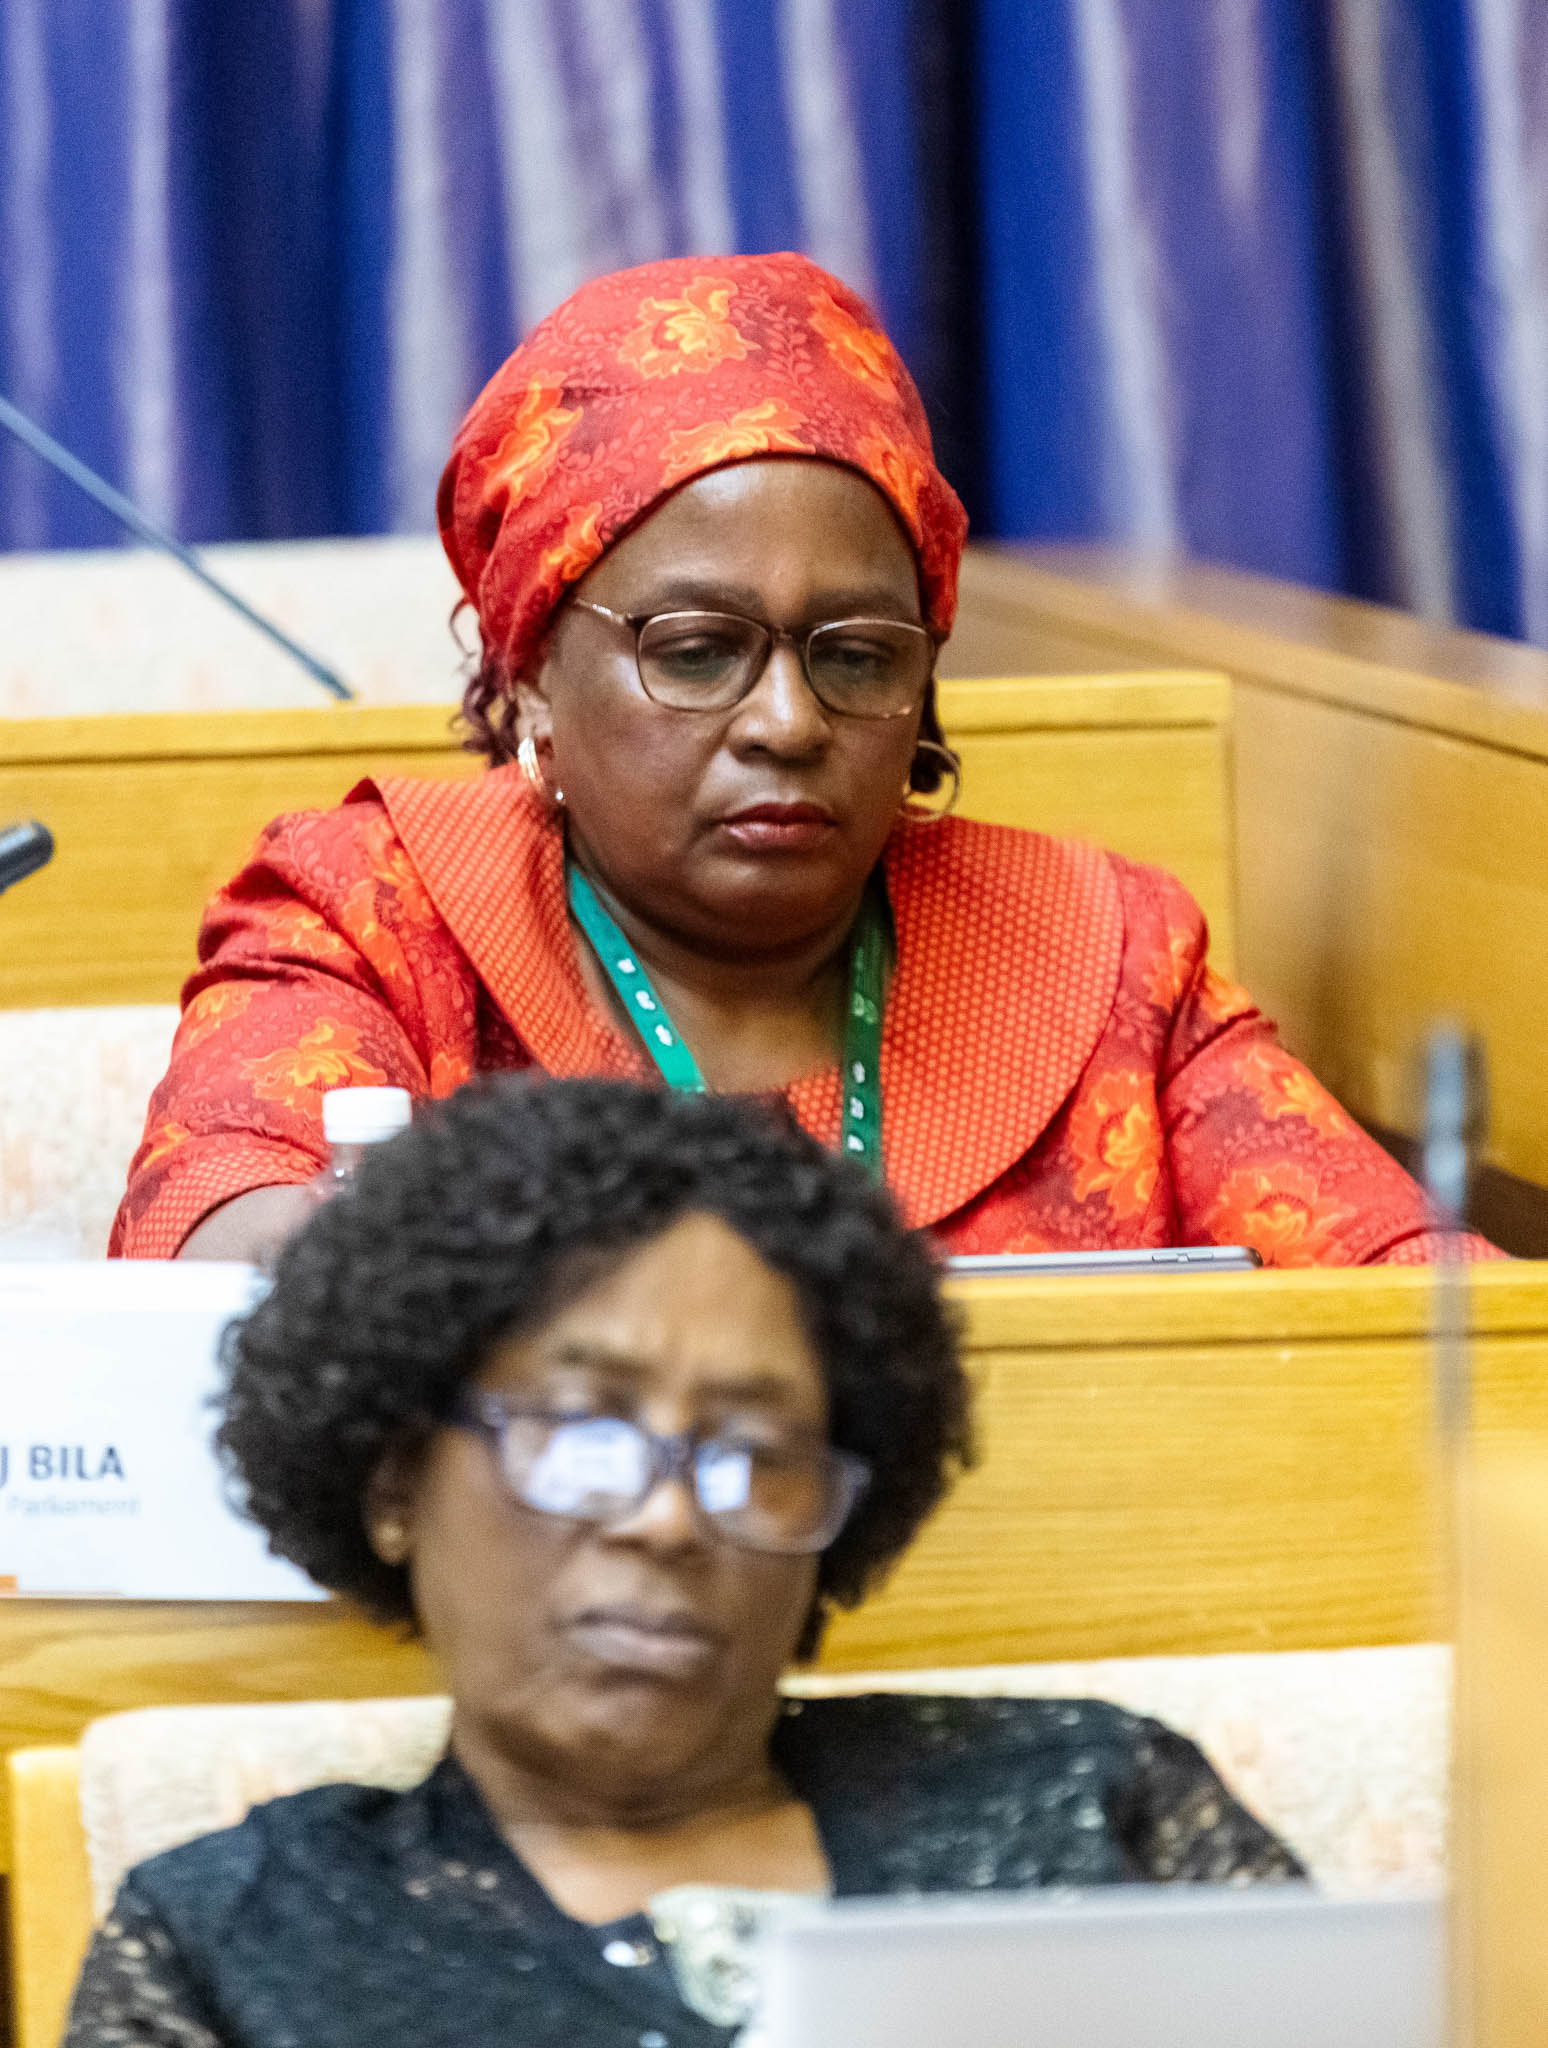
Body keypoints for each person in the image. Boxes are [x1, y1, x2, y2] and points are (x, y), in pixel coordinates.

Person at [110, 251, 1488, 1268]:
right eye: (696, 649)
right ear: (531, 669)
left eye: (858, 654)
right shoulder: (369, 913)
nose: (786, 721)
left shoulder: (1114, 960)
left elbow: (1427, 1306)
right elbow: (214, 1232)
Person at [69, 1080, 1300, 2048]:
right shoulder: (228, 1943)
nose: (668, 1520)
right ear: (395, 1484)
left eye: (752, 1449)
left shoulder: (1096, 1803)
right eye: (582, 1433)